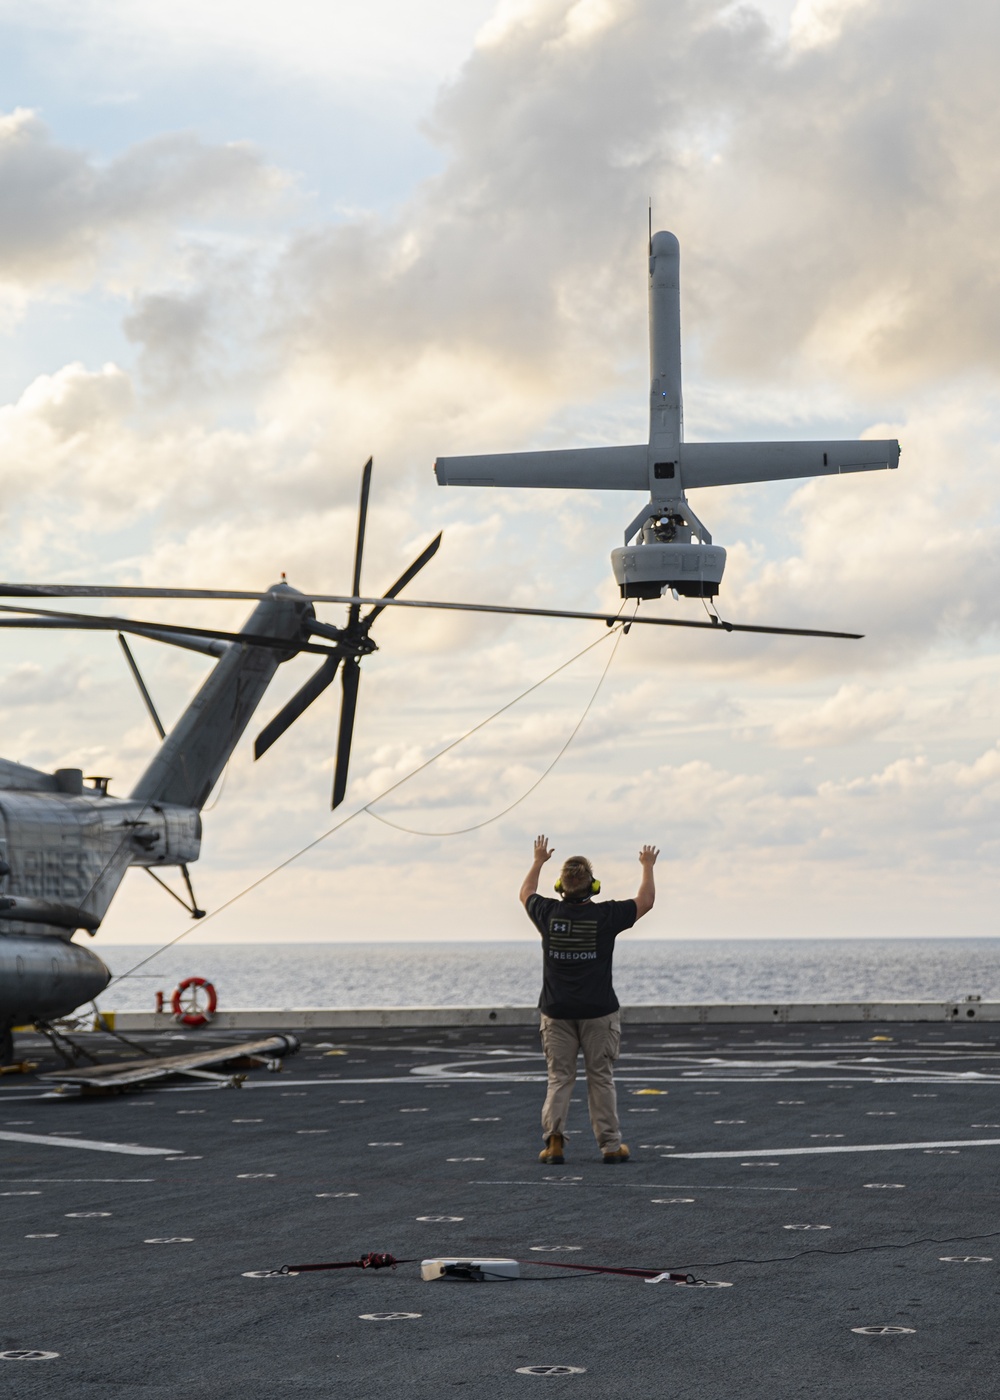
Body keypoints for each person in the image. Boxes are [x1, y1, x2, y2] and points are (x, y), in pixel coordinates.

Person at [519, 834, 658, 1165]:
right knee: (601, 1077)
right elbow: (646, 900)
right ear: (593, 887)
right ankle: (610, 1146)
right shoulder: (606, 916)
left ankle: (554, 1142)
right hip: (598, 1012)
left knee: (559, 1078)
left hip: (556, 1012)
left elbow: (525, 893)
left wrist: (538, 860)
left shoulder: (547, 913)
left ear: (560, 887)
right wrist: (647, 867)